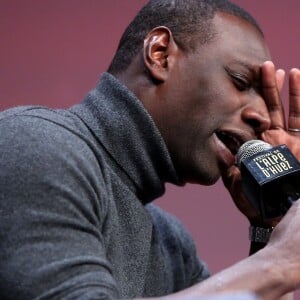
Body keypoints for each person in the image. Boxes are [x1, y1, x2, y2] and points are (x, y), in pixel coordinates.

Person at [1, 0, 300, 299]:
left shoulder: (173, 247)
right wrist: (277, 262)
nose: (261, 115)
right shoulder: (35, 143)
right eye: (240, 80)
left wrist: (271, 226)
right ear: (159, 55)